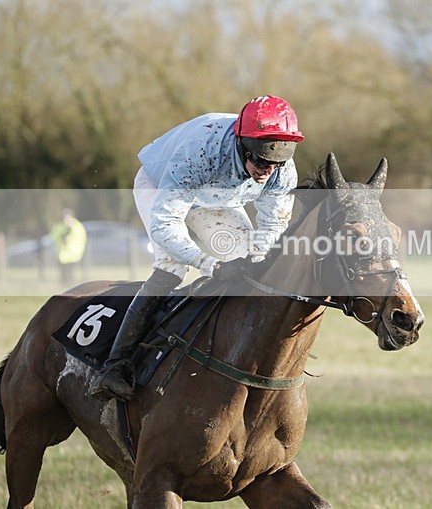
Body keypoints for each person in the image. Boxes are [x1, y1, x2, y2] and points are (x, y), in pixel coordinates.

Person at [90, 95, 304, 401]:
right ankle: (115, 365)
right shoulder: (200, 150)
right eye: (259, 160)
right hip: (161, 184)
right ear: (242, 144)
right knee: (172, 268)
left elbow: (272, 228)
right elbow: (166, 225)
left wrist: (255, 260)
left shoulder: (281, 167)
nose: (267, 170)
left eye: (276, 162)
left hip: (218, 199)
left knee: (247, 262)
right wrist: (209, 264)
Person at [50, 208, 87, 285]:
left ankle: (71, 283)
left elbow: (79, 238)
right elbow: (54, 235)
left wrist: (68, 236)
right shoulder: (60, 226)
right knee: (63, 271)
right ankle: (64, 283)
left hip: (74, 254)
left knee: (71, 271)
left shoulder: (77, 226)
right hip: (63, 254)